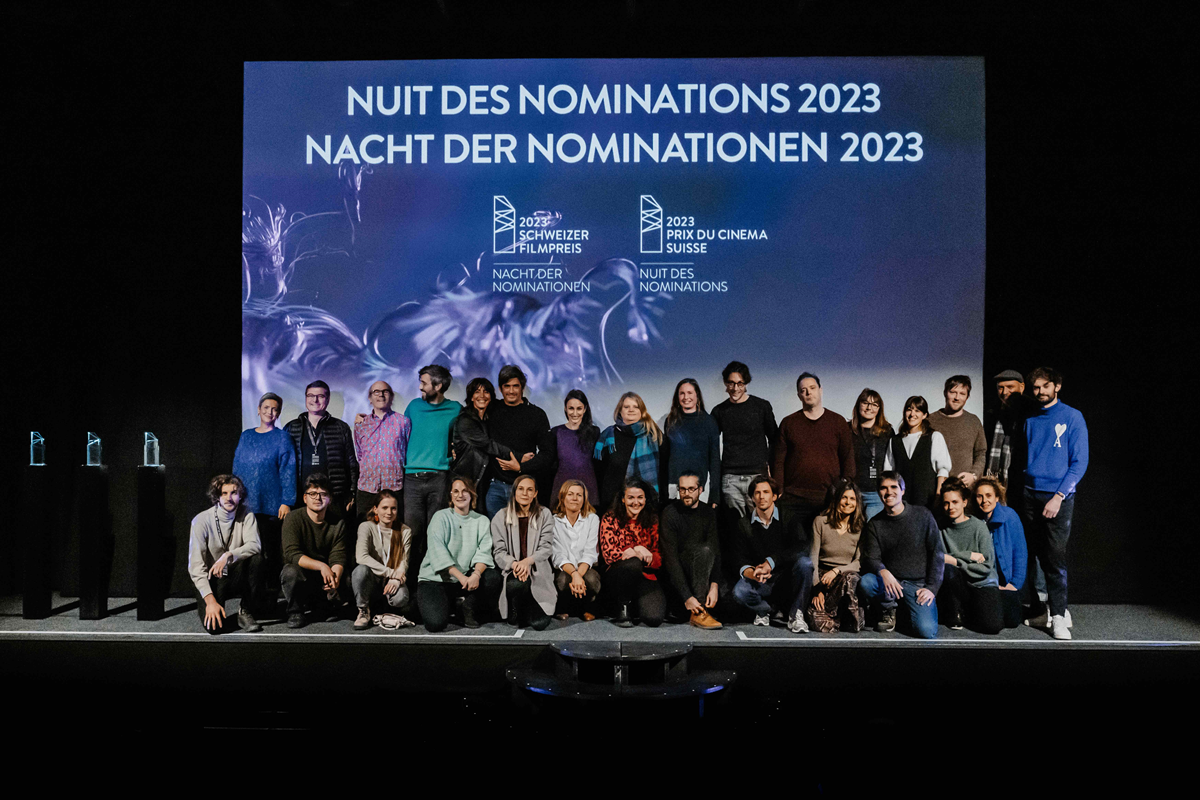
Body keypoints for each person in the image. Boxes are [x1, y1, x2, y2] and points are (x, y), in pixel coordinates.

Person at [1020, 367, 1088, 641]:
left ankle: (1059, 616)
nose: (1040, 392)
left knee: (1054, 557)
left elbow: (1079, 462)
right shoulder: (1030, 418)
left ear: (1057, 386)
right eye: (1035, 387)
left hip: (1057, 497)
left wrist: (1058, 496)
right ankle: (1044, 611)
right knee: (1034, 555)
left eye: (1045, 386)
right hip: (1030, 494)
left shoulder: (1072, 416)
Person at [402, 364, 462, 606]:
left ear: (438, 386)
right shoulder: (414, 407)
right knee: (412, 535)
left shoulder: (455, 409)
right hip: (412, 478)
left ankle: (434, 589)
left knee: (435, 535)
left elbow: (463, 438)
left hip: (440, 477)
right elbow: (399, 434)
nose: (420, 387)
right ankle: (410, 590)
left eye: (424, 383)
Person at [860, 472, 944, 639]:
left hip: (917, 585)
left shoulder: (923, 515)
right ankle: (889, 609)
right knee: (867, 582)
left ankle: (905, 612)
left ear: (902, 490)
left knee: (926, 631)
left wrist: (932, 588)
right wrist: (883, 571)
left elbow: (937, 554)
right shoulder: (875, 524)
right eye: (883, 488)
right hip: (891, 584)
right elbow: (872, 558)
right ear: (878, 493)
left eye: (893, 487)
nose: (888, 492)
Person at [772, 372, 855, 539]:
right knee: (795, 548)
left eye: (812, 388)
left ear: (820, 390)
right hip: (793, 499)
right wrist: (779, 490)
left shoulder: (837, 422)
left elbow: (848, 458)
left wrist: (842, 489)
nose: (808, 392)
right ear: (799, 395)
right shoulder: (789, 423)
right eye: (803, 390)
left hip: (827, 499)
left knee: (824, 548)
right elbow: (778, 460)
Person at [232, 391, 296, 602]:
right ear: (259, 410)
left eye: (275, 409)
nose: (270, 412)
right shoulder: (247, 436)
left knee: (271, 551)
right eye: (266, 408)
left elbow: (288, 470)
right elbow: (237, 467)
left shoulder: (283, 437)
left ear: (279, 413)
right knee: (250, 551)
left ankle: (272, 594)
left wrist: (287, 501)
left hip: (272, 506)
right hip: (247, 504)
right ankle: (252, 595)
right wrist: (234, 497)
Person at [417, 476, 502, 632]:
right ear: (451, 495)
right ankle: (446, 605)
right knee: (435, 624)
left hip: (465, 580)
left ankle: (466, 607)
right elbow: (438, 551)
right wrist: (461, 577)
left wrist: (476, 575)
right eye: (455, 491)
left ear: (472, 494)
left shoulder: (482, 521)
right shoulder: (441, 517)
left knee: (492, 577)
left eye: (465, 491)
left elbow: (484, 552)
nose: (460, 495)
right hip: (436, 579)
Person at [730, 475, 812, 633]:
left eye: (766, 492)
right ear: (752, 498)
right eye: (757, 493)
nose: (761, 496)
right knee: (740, 592)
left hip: (785, 578)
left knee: (805, 564)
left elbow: (801, 547)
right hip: (761, 580)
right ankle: (766, 610)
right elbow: (738, 559)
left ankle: (796, 615)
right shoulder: (744, 523)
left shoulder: (788, 517)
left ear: (775, 496)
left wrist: (771, 562)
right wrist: (753, 573)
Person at [187, 474, 265, 634]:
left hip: (235, 573)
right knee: (213, 628)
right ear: (217, 496)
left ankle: (245, 610)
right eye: (224, 493)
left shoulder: (247, 515)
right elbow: (196, 568)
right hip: (213, 578)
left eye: (234, 493)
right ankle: (216, 606)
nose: (229, 498)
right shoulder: (201, 521)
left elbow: (255, 545)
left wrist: (228, 555)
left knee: (257, 560)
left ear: (240, 495)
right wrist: (210, 601)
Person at [280, 473, 349, 629]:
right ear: (305, 498)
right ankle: (295, 612)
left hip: (324, 577)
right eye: (313, 493)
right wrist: (321, 566)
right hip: (303, 573)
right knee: (290, 572)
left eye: (323, 494)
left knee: (348, 577)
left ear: (330, 499)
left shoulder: (338, 523)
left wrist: (335, 578)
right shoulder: (293, 518)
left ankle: (326, 604)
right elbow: (292, 554)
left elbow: (338, 555)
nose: (318, 498)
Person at [710, 360, 778, 518]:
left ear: (746, 383)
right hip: (730, 479)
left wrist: (770, 468)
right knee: (736, 527)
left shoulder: (761, 407)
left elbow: (775, 439)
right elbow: (711, 446)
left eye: (740, 383)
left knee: (761, 524)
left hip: (757, 476)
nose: (735, 388)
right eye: (731, 383)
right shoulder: (719, 411)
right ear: (725, 383)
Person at [484, 365, 552, 517]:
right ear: (500, 388)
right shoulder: (491, 410)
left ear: (523, 388)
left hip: (524, 489)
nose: (511, 391)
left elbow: (548, 454)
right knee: (496, 532)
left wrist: (521, 467)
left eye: (515, 386)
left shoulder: (537, 415)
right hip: (495, 488)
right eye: (506, 386)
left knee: (523, 532)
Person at [285, 380, 359, 519]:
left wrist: (352, 492)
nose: (315, 400)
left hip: (334, 496)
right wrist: (285, 498)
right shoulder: (292, 427)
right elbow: (284, 466)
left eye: (320, 396)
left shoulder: (341, 427)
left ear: (328, 399)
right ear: (306, 398)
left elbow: (351, 463)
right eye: (311, 395)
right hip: (300, 497)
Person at [491, 473, 556, 630]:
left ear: (535, 493)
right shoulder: (501, 516)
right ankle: (514, 611)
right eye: (520, 489)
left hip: (537, 571)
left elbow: (546, 547)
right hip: (513, 571)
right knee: (517, 584)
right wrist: (515, 564)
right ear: (514, 492)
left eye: (529, 490)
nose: (525, 493)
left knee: (539, 624)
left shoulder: (545, 514)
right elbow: (499, 552)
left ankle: (528, 607)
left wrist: (527, 562)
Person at [659, 472, 723, 629]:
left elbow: (716, 550)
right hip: (679, 576)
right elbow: (671, 559)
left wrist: (714, 585)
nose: (686, 493)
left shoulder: (708, 513)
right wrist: (687, 596)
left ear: (700, 490)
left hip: (703, 572)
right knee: (704, 551)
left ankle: (700, 608)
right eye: (682, 489)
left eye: (691, 489)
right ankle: (699, 612)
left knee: (730, 606)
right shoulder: (670, 513)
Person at [598, 478, 665, 628]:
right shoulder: (610, 518)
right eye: (631, 498)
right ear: (623, 499)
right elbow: (609, 553)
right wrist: (637, 551)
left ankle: (636, 606)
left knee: (654, 618)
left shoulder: (652, 519)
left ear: (645, 499)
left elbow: (658, 557)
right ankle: (623, 607)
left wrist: (642, 552)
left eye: (640, 497)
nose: (636, 502)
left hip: (644, 576)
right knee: (633, 564)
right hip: (617, 576)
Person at [938, 481, 1003, 634]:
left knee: (992, 626)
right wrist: (968, 556)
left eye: (955, 502)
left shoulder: (979, 527)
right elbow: (937, 558)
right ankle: (956, 611)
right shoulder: (940, 528)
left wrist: (955, 560)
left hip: (981, 582)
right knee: (947, 569)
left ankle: (970, 610)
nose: (950, 507)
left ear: (964, 502)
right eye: (946, 503)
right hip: (958, 585)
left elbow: (986, 567)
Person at [807, 478, 866, 633]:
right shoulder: (820, 522)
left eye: (852, 499)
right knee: (821, 624)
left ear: (857, 503)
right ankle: (837, 617)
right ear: (837, 499)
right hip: (823, 579)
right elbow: (813, 557)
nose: (848, 502)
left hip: (844, 578)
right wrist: (817, 590)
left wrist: (837, 570)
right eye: (844, 497)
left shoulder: (860, 527)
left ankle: (843, 615)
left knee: (851, 578)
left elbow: (859, 562)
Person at [351, 490, 412, 630]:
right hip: (372, 578)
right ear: (375, 509)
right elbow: (361, 557)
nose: (389, 512)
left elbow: (404, 561)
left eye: (393, 508)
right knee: (360, 571)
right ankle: (363, 610)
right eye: (384, 508)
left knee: (402, 597)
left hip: (391, 581)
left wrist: (396, 579)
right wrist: (391, 572)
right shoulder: (366, 527)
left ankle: (385, 609)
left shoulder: (404, 531)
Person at [352, 380, 411, 521]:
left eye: (385, 391)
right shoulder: (361, 424)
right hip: (367, 486)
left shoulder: (403, 422)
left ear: (391, 396)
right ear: (370, 398)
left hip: (394, 486)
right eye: (376, 392)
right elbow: (360, 454)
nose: (381, 395)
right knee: (365, 528)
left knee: (394, 530)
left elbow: (407, 450)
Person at [595, 392, 663, 512]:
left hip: (645, 508)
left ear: (642, 411)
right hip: (612, 506)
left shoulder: (654, 436)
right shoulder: (608, 436)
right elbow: (599, 472)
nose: (631, 410)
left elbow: (663, 471)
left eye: (635, 407)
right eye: (626, 407)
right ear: (620, 411)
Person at [659, 378, 721, 507]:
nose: (686, 397)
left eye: (690, 393)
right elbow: (665, 459)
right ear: (677, 397)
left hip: (700, 488)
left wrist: (714, 495)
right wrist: (663, 490)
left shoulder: (709, 422)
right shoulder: (671, 421)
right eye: (682, 393)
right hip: (674, 487)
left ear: (697, 395)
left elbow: (714, 460)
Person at [974, 476, 1025, 629]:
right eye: (979, 496)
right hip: (985, 583)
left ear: (997, 497)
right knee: (991, 623)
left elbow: (1020, 552)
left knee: (1012, 621)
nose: (984, 500)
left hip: (1007, 582)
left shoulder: (1010, 516)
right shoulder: (973, 520)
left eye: (988, 495)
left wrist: (1014, 584)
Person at [884, 396, 952, 510]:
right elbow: (888, 473)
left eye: (917, 410)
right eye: (909, 409)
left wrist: (938, 497)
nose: (912, 414)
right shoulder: (894, 441)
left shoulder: (934, 437)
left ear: (924, 415)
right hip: (901, 504)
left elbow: (943, 471)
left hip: (927, 502)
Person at [450, 377, 508, 500]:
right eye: (477, 392)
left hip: (483, 481)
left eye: (486, 392)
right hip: (465, 481)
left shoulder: (488, 420)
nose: (482, 395)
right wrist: (518, 457)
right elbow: (489, 445)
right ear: (471, 397)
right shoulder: (465, 420)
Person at [551, 480, 601, 621]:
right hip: (565, 569)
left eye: (579, 495)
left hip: (585, 568)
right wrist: (574, 574)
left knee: (591, 579)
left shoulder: (592, 519)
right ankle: (565, 606)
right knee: (562, 580)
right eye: (570, 494)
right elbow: (558, 554)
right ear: (562, 497)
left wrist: (578, 575)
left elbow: (590, 552)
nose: (575, 498)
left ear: (584, 499)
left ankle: (588, 606)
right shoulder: (554, 521)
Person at [928, 375, 987, 488]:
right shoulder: (930, 421)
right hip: (936, 488)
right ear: (945, 393)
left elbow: (980, 453)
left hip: (965, 489)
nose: (957, 397)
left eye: (962, 394)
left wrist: (973, 475)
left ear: (967, 397)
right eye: (953, 392)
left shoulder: (973, 421)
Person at [544, 389, 601, 504]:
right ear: (565, 409)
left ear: (585, 409)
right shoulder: (556, 432)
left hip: (588, 491)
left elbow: (598, 464)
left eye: (579, 408)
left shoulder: (594, 432)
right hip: (561, 490)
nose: (575, 413)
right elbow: (550, 463)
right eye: (571, 408)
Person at [848, 388, 893, 521]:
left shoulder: (887, 432)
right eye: (865, 403)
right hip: (852, 493)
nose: (869, 408)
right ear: (858, 405)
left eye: (874, 404)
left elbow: (893, 462)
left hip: (876, 494)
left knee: (872, 530)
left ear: (879, 408)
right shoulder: (847, 430)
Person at [985, 369, 1028, 489]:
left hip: (1023, 480)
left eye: (1010, 387)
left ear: (1022, 387)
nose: (1005, 392)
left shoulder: (1032, 414)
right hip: (998, 482)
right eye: (1000, 388)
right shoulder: (992, 414)